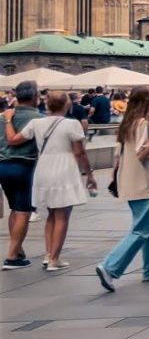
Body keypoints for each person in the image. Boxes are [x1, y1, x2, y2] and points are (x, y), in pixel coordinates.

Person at [5, 91, 96, 271]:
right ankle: (54, 258)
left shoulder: (36, 123)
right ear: (67, 105)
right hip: (64, 167)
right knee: (62, 215)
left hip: (43, 167)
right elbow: (79, 152)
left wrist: (8, 120)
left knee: (51, 214)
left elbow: (13, 140)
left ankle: (49, 255)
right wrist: (89, 174)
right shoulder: (72, 124)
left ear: (47, 105)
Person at [95, 87, 149, 291]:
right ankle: (110, 267)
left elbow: (118, 154)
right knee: (142, 229)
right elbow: (141, 153)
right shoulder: (141, 123)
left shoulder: (126, 123)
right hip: (141, 182)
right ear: (146, 101)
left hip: (128, 179)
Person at [0, 81, 42, 270]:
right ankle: (11, 256)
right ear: (35, 96)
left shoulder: (2, 117)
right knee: (23, 210)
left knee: (14, 209)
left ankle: (18, 250)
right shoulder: (40, 118)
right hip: (25, 166)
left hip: (3, 166)